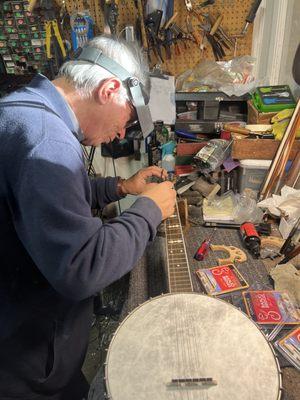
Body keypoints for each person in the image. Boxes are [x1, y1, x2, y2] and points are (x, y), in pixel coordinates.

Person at [0, 34, 176, 400]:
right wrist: (150, 211)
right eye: (126, 121)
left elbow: (43, 202)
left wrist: (121, 188)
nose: (119, 134)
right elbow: (83, 269)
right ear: (109, 89)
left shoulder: (22, 111)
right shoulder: (48, 141)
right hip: (25, 357)